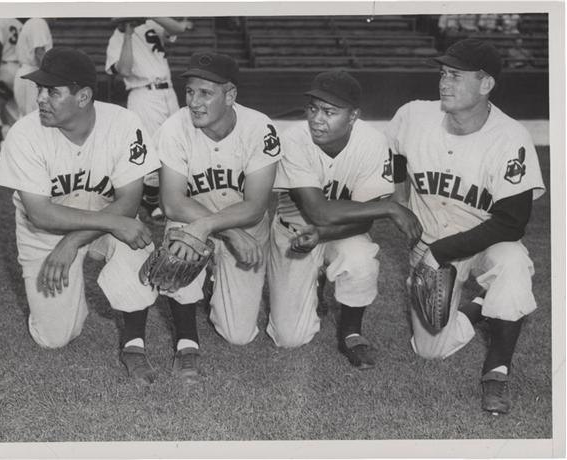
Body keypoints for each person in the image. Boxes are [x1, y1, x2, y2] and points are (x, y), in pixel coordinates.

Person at [386, 39, 545, 414]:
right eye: (443, 74)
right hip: (431, 240)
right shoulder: (413, 116)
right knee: (429, 350)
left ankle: (497, 370)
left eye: (456, 76)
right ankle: (477, 307)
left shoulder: (510, 138)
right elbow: (392, 153)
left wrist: (439, 252)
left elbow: (512, 221)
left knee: (513, 265)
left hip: (486, 237)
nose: (444, 82)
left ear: (486, 84)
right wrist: (397, 199)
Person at [0, 47, 161, 385]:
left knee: (136, 241)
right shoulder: (25, 134)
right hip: (44, 230)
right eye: (40, 89)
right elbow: (41, 214)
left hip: (100, 215)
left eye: (52, 91)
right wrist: (108, 224)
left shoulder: (124, 123)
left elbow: (128, 202)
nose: (40, 98)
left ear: (83, 96)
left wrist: (73, 242)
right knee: (54, 337)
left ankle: (133, 342)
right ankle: (69, 304)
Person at [267, 71, 422, 368]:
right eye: (312, 109)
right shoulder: (293, 139)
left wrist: (324, 236)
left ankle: (352, 332)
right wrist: (391, 208)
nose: (316, 119)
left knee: (361, 256)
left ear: (353, 116)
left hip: (342, 232)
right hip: (294, 233)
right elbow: (318, 213)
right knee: (290, 339)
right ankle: (313, 282)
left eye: (329, 111)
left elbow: (362, 222)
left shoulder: (373, 143)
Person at [154, 52, 281, 383]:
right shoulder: (173, 127)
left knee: (237, 334)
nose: (194, 102)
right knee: (181, 244)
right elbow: (171, 202)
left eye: (205, 93)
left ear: (230, 95)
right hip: (193, 217)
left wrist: (225, 229)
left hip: (245, 222)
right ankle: (186, 343)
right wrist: (220, 230)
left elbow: (255, 205)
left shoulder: (260, 127)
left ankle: (213, 285)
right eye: (190, 91)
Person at [105, 17, 193, 219]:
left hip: (167, 90)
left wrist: (150, 10)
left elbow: (178, 28)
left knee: (178, 144)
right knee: (153, 150)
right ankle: (151, 203)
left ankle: (167, 198)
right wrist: (127, 34)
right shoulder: (116, 38)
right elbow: (125, 70)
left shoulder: (151, 25)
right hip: (143, 93)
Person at [0, 17, 24, 163]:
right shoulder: (19, 23)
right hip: (19, 70)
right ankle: (20, 151)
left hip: (3, 69)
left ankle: (2, 150)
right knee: (14, 113)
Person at [13, 17, 53, 118]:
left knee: (26, 119)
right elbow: (39, 52)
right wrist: (49, 77)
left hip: (28, 73)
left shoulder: (34, 22)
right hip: (32, 74)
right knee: (34, 118)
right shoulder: (38, 22)